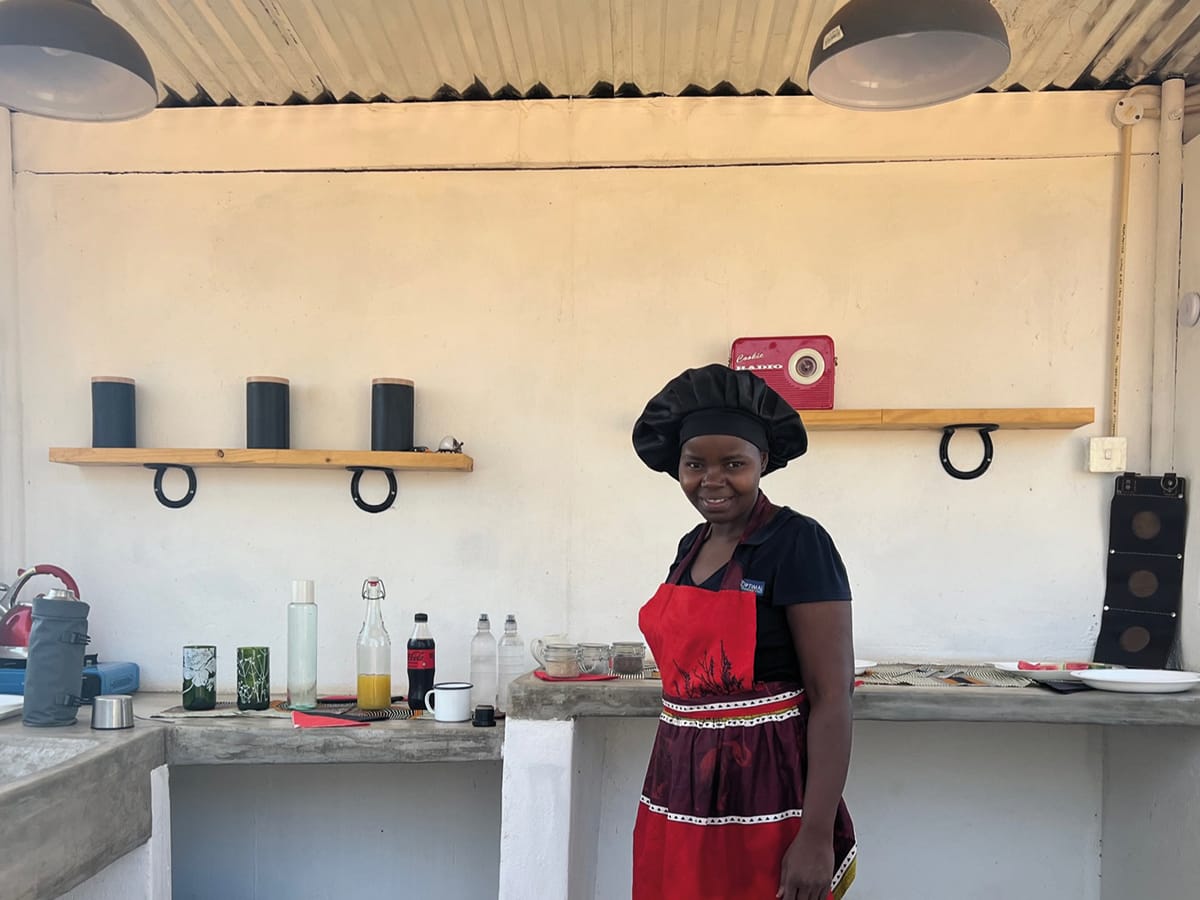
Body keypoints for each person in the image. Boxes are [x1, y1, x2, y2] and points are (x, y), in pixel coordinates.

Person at [630, 363, 857, 900]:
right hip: (675, 788)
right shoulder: (691, 546)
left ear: (762, 464)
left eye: (733, 462)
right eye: (695, 464)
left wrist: (815, 835)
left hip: (766, 793)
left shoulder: (799, 542)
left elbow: (833, 697)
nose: (712, 479)